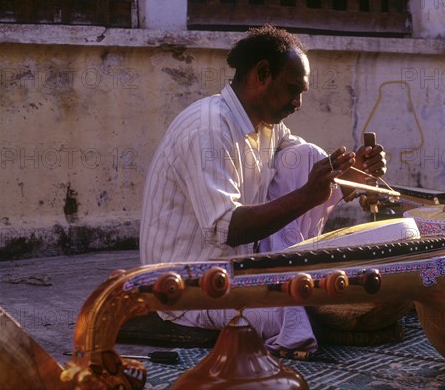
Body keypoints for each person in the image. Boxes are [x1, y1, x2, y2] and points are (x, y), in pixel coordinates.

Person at [139, 24, 386, 356]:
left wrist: (357, 173)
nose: (298, 103)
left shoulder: (267, 125)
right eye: (292, 89)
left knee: (307, 156)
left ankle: (290, 269)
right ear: (262, 74)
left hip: (238, 265)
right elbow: (226, 229)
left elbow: (310, 171)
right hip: (190, 284)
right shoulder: (209, 128)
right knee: (301, 310)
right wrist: (306, 198)